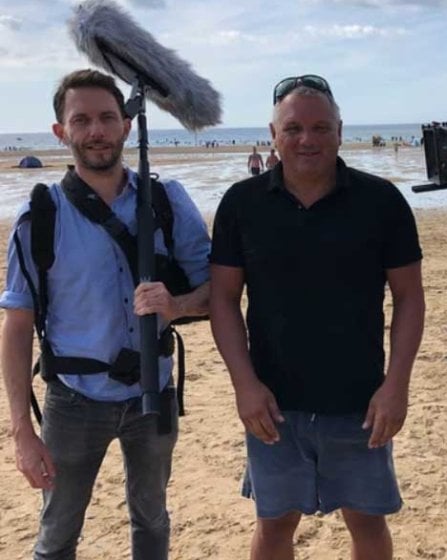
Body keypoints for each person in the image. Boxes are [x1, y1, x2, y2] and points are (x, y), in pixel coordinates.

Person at [209, 74, 425, 560]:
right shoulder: (242, 205)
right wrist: (244, 385)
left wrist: (397, 385)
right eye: (294, 128)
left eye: (321, 127)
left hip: (360, 399)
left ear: (340, 131)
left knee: (367, 522)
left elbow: (409, 297)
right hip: (272, 403)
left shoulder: (381, 201)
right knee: (274, 523)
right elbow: (224, 299)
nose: (307, 139)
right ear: (273, 133)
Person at [0, 69, 211, 560]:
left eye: (106, 118)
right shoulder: (40, 217)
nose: (96, 130)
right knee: (56, 534)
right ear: (60, 131)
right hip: (73, 401)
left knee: (152, 520)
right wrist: (21, 431)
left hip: (152, 391)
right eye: (82, 120)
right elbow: (16, 323)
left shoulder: (166, 201)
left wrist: (175, 306)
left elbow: (218, 291)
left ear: (125, 126)